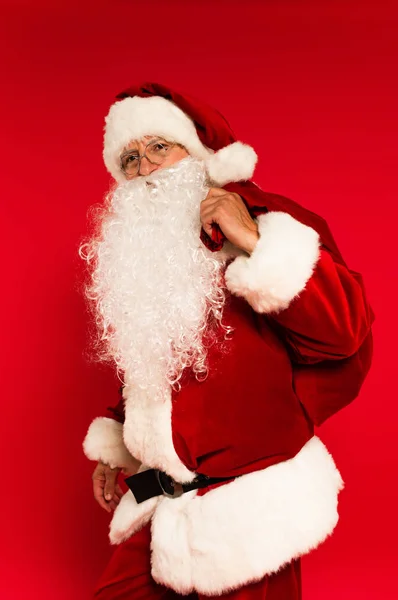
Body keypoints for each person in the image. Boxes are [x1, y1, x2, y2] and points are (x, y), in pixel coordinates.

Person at [80, 82, 375, 599]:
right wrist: (121, 445)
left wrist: (255, 243)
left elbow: (345, 331)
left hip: (249, 516)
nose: (145, 168)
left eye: (159, 147)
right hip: (163, 498)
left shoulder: (266, 225)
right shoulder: (146, 258)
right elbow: (154, 369)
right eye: (129, 157)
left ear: (198, 155)